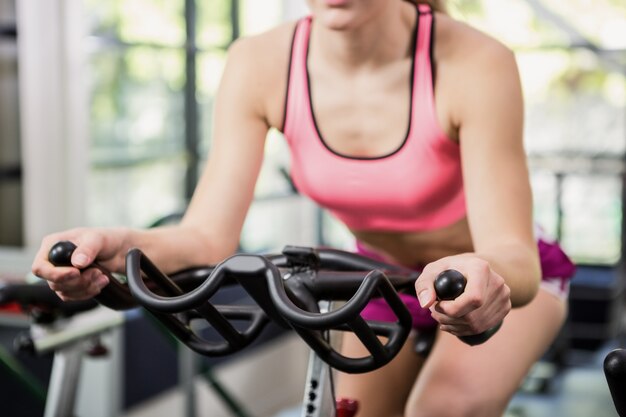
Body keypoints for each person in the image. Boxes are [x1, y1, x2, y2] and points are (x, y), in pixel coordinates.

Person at [32, 1, 576, 416]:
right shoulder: (259, 62)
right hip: (384, 283)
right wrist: (119, 247)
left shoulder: (475, 61)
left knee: (440, 411)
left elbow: (515, 258)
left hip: (490, 281)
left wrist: (486, 275)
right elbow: (205, 237)